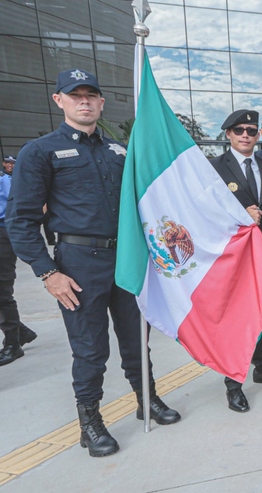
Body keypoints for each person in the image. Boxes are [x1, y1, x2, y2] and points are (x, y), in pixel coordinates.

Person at [6, 68, 181, 457]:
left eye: (91, 95)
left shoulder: (119, 150)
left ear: (102, 102)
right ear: (59, 100)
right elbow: (20, 220)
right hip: (78, 264)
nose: (84, 101)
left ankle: (146, 400)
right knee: (90, 349)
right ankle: (90, 422)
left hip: (127, 257)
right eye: (75, 95)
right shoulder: (40, 151)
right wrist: (48, 272)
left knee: (138, 339)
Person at [209, 109, 262, 413]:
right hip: (229, 257)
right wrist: (240, 216)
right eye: (239, 130)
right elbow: (204, 212)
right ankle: (233, 384)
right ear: (228, 134)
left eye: (251, 131)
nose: (246, 135)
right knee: (234, 319)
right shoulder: (214, 168)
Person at [0, 155, 38, 366]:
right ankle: (19, 330)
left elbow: (17, 209)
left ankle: (13, 343)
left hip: (3, 233)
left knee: (2, 291)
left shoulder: (6, 181)